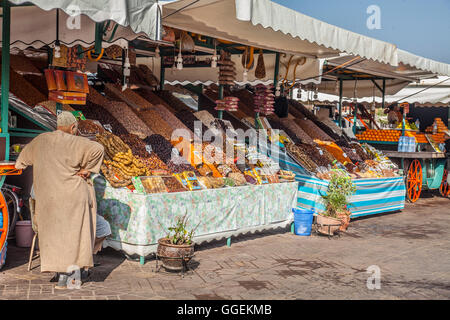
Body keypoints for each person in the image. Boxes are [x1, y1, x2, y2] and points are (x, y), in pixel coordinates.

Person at [15, 111, 104, 289]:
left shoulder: (40, 140)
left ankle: (61, 273)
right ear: (72, 127)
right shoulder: (76, 141)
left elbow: (21, 161)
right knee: (74, 237)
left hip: (48, 200)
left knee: (54, 237)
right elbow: (98, 149)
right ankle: (69, 277)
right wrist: (87, 169)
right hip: (72, 197)